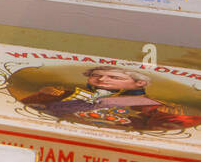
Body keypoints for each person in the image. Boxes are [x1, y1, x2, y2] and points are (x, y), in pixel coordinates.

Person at [18, 65, 201, 132]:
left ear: (139, 84)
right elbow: (25, 110)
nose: (102, 80)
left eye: (114, 78)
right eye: (96, 75)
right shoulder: (64, 93)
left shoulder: (158, 107)